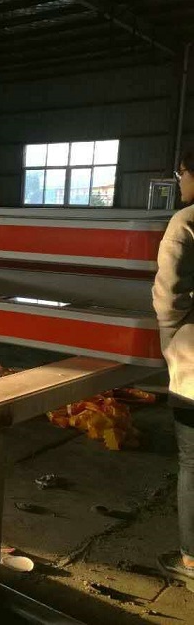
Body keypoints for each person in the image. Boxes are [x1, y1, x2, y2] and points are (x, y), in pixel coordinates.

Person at [153, 147, 194, 590]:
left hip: (193, 371)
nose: (180, 181)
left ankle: (192, 560)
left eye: (182, 173)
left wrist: (172, 341)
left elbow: (168, 298)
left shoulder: (186, 222)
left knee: (193, 462)